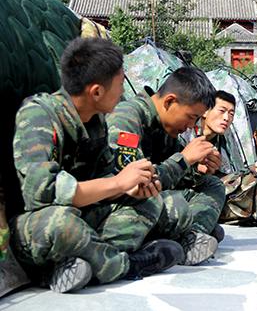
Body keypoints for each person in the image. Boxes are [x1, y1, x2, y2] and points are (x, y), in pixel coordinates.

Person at [9, 38, 184, 294]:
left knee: (148, 202)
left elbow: (103, 175)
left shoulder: (95, 121)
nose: (123, 93)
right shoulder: (39, 113)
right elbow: (40, 193)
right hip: (36, 225)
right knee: (61, 223)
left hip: (82, 215)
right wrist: (117, 183)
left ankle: (78, 266)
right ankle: (126, 265)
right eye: (121, 83)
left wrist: (128, 188)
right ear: (97, 92)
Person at [107, 67, 226, 265]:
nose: (191, 126)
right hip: (118, 204)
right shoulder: (127, 119)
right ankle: (187, 232)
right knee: (175, 205)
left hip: (149, 197)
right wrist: (184, 159)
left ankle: (193, 234)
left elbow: (173, 176)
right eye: (191, 117)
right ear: (170, 101)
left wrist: (197, 169)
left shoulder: (165, 127)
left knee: (212, 184)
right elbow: (133, 186)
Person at [180, 90, 236, 176]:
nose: (226, 118)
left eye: (231, 114)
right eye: (222, 111)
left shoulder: (226, 141)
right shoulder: (184, 131)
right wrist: (195, 167)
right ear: (205, 111)